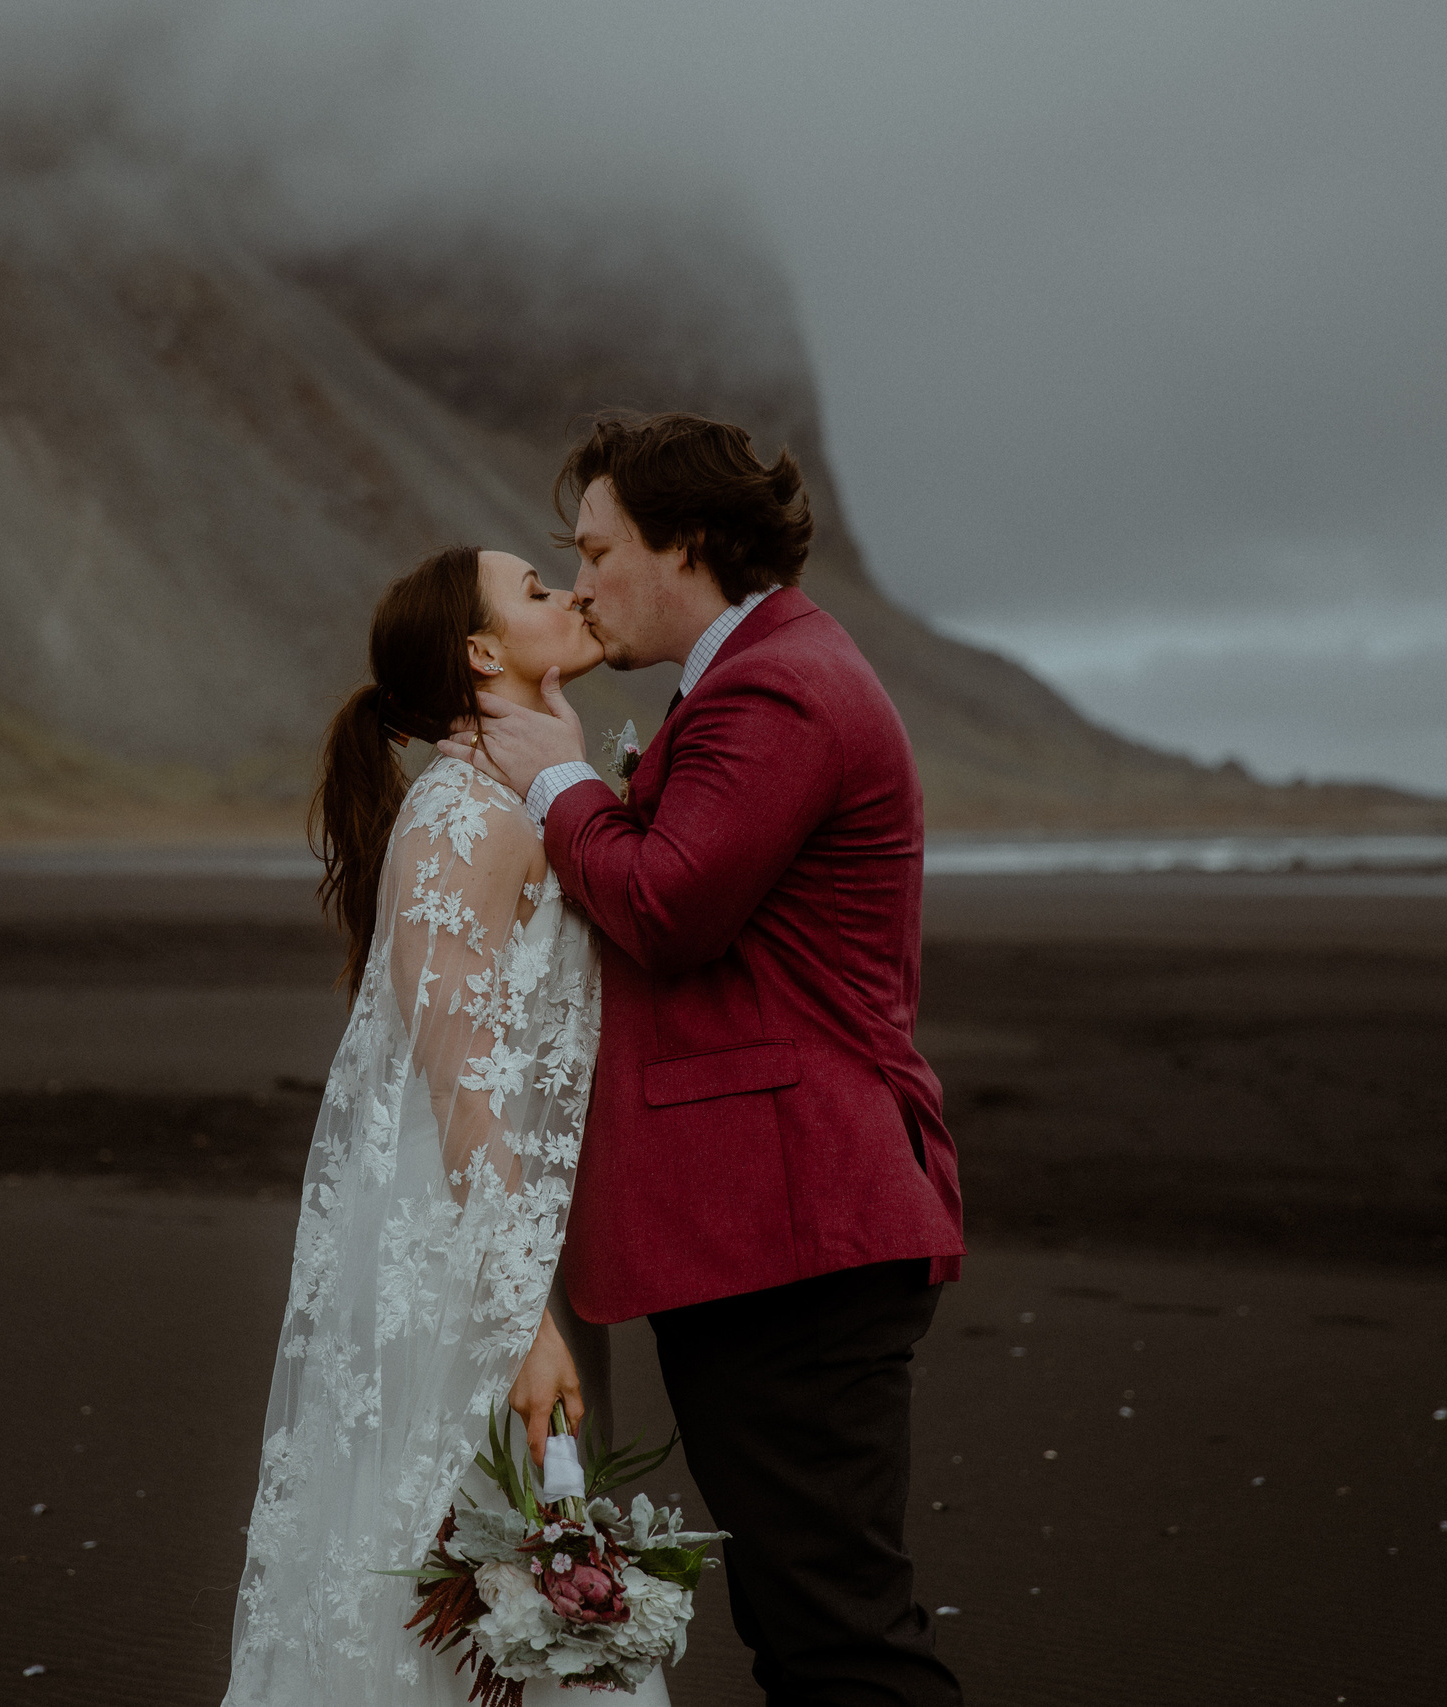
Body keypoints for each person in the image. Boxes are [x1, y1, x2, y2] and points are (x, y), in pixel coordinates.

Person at [445, 413, 968, 1706]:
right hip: (767, 1227)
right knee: (809, 1623)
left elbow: (673, 904)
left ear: (685, 545)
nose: (581, 583)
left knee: (839, 1632)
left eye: (600, 548)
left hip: (798, 1223)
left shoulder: (779, 685)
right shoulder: (754, 677)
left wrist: (564, 783)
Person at [222, 545, 666, 1705]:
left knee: (540, 1584)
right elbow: (458, 1085)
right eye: (534, 589)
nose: (568, 591)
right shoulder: (461, 816)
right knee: (500, 1590)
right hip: (482, 1256)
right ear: (479, 654)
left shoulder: (516, 793)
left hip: (519, 1234)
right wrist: (518, 1319)